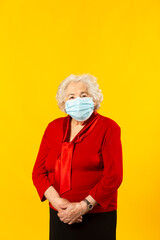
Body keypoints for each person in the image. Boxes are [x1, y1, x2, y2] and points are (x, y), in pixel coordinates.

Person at [32, 73, 123, 240]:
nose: (77, 100)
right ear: (63, 103)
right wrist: (58, 203)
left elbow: (114, 176)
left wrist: (83, 206)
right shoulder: (53, 128)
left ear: (94, 99)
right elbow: (38, 173)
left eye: (83, 95)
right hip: (61, 215)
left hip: (98, 215)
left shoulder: (109, 128)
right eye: (71, 97)